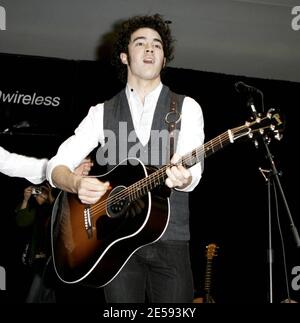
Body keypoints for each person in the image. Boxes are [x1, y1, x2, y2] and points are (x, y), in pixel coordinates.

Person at [46, 13, 205, 303]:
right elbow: (56, 166)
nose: (150, 49)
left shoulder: (187, 107)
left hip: (171, 239)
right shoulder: (100, 112)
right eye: (140, 42)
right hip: (113, 244)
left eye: (157, 45)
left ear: (164, 59)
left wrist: (186, 178)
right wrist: (74, 183)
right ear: (124, 56)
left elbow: (194, 170)